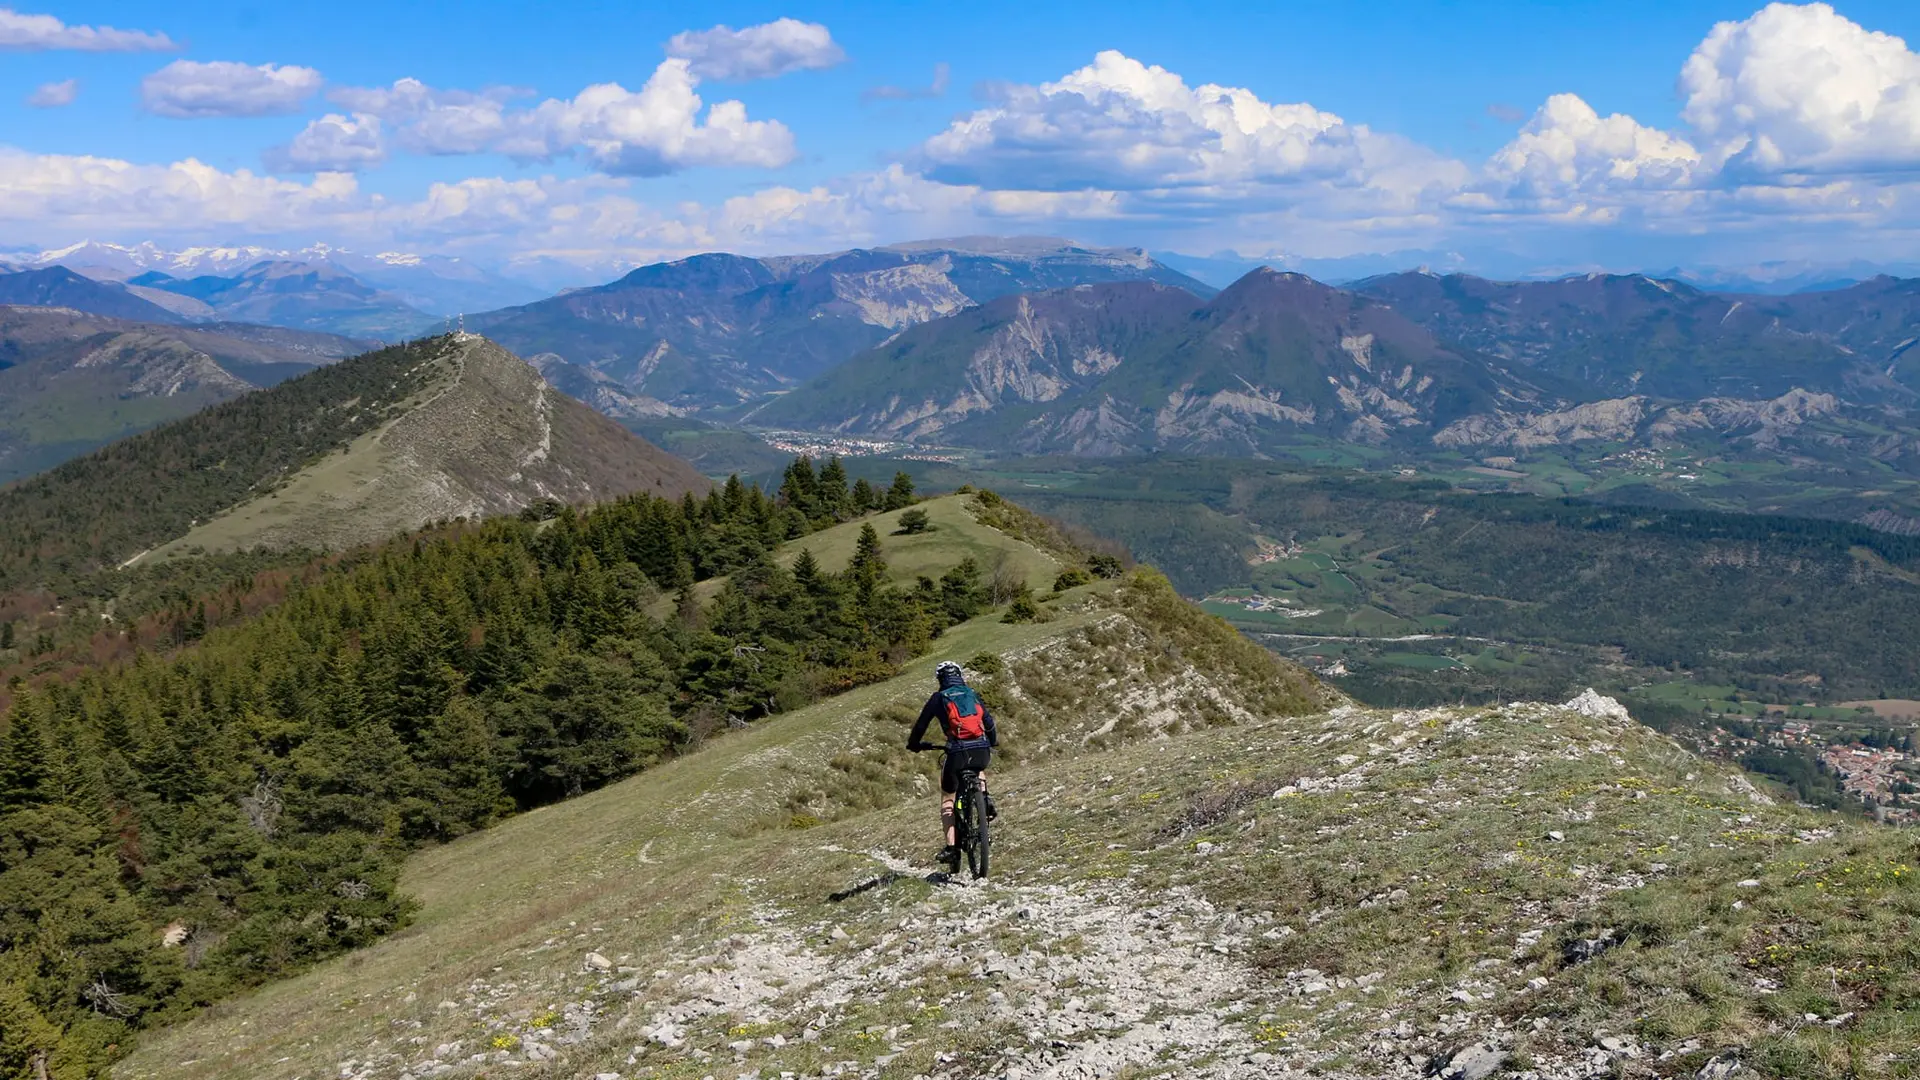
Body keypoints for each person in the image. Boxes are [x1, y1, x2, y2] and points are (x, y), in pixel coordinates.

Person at [907, 660, 998, 864]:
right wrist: (992, 742)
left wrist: (914, 744)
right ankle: (984, 799)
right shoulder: (971, 693)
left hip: (956, 751)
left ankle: (952, 849)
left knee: (948, 798)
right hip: (981, 748)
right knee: (978, 769)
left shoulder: (938, 698)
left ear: (940, 679)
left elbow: (921, 724)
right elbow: (989, 722)